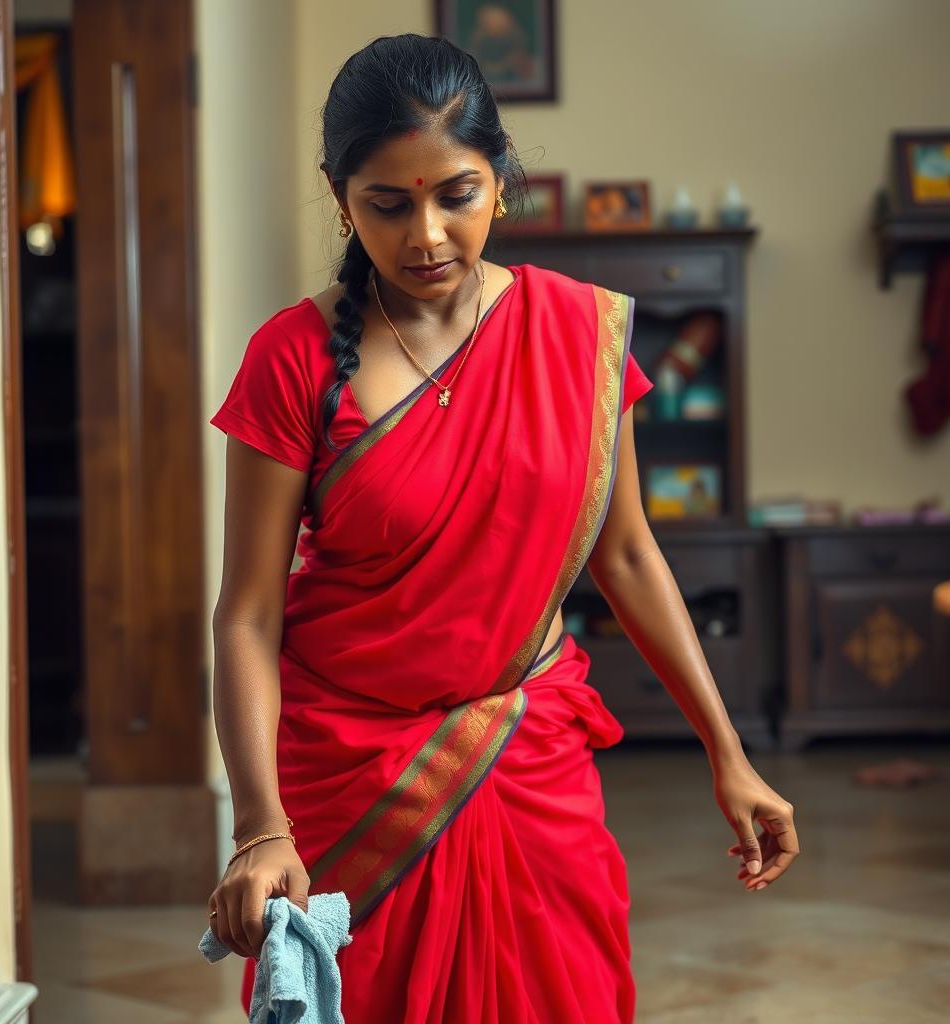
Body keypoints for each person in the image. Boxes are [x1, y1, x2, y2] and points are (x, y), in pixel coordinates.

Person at [206, 33, 799, 1024]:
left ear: (501, 180)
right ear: (338, 193)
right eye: (386, 204)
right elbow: (247, 617)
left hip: (528, 758)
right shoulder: (292, 359)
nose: (426, 233)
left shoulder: (577, 335)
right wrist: (259, 824)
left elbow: (626, 556)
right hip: (351, 774)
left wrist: (726, 750)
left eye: (457, 194)